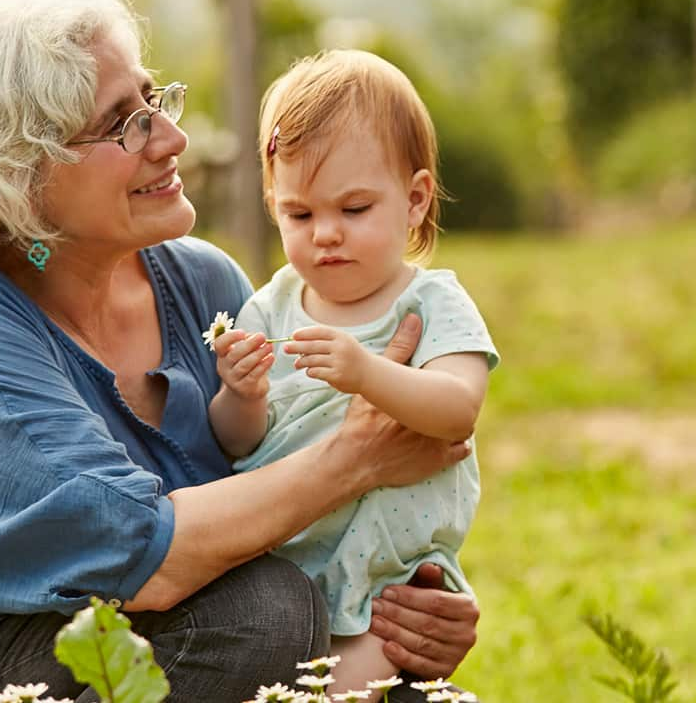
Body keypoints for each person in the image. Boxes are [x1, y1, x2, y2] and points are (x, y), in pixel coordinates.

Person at [0, 0, 480, 701]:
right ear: (11, 176)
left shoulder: (205, 284)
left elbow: (281, 497)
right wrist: (357, 457)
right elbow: (147, 559)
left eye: (154, 102)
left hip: (131, 639)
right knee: (263, 614)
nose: (171, 139)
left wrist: (411, 601)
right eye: (124, 124)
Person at [207, 49, 496, 693]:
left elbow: (457, 407)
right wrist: (242, 394)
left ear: (415, 200)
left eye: (354, 209)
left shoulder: (430, 303)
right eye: (300, 215)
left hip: (392, 576)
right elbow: (237, 443)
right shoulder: (270, 305)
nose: (326, 234)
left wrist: (368, 372)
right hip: (285, 560)